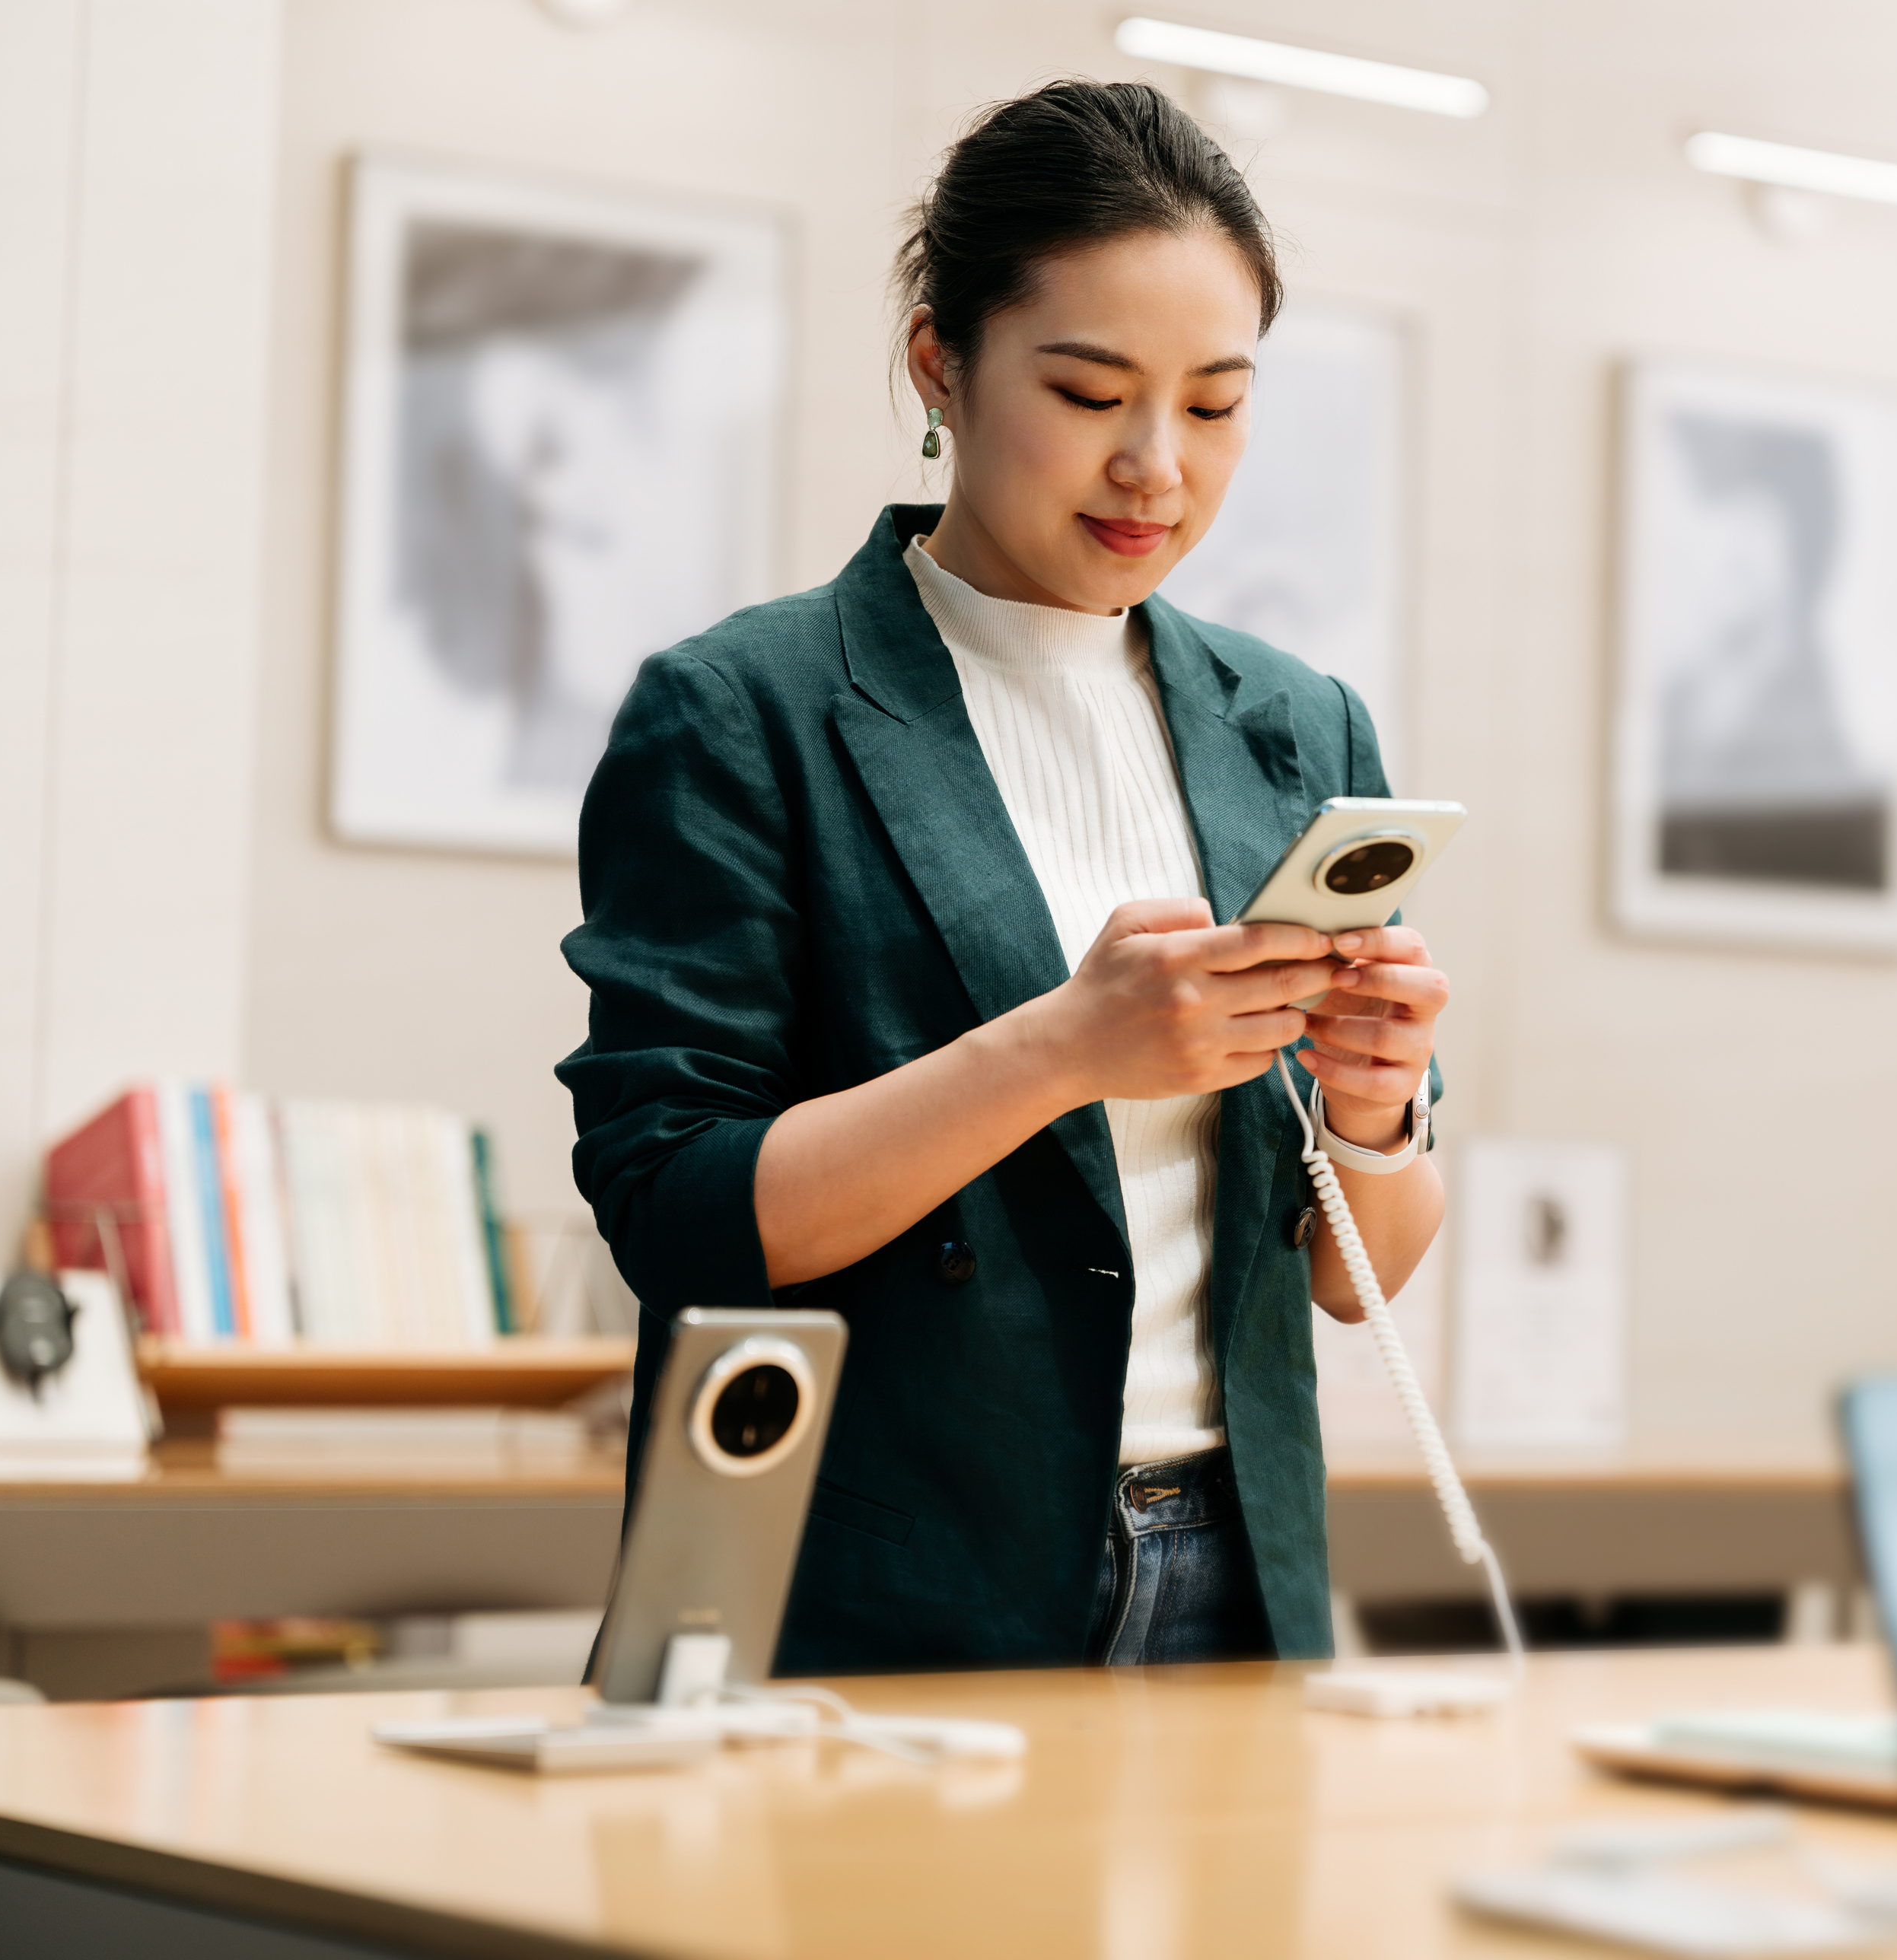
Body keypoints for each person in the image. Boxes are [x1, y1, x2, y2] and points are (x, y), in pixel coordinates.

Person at [559, 80, 1450, 1672]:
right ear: (939, 365)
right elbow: (677, 1211)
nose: (1156, 469)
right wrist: (1064, 1047)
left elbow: (1349, 1274)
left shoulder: (1300, 730)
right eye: (1093, 391)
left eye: (1218, 402)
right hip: (884, 1574)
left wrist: (1377, 1113)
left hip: (1238, 1582)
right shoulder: (746, 710)